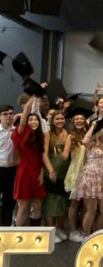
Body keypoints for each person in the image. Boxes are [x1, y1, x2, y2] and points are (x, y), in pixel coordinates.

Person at [70, 122, 103, 237]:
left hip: (101, 179)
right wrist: (93, 125)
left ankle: (95, 233)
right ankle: (87, 235)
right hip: (89, 177)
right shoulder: (92, 144)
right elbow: (84, 141)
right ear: (98, 133)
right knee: (92, 210)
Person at [11, 96, 46, 226]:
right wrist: (33, 96)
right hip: (24, 171)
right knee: (23, 204)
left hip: (37, 171)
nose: (33, 121)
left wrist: (42, 173)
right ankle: (17, 233)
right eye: (30, 119)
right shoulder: (22, 131)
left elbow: (41, 157)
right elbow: (26, 111)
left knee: (37, 203)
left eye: (35, 119)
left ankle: (34, 231)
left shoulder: (40, 135)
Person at [42, 110, 71, 242]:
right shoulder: (48, 134)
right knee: (51, 200)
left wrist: (61, 154)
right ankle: (50, 230)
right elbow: (44, 155)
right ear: (52, 121)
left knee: (62, 200)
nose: (60, 121)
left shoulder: (68, 134)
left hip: (65, 170)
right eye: (57, 119)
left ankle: (59, 228)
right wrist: (51, 171)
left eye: (62, 119)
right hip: (52, 168)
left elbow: (65, 155)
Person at [65, 107, 91, 243]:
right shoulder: (71, 136)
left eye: (81, 118)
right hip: (76, 172)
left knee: (87, 205)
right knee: (74, 204)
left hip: (88, 172)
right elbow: (65, 154)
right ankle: (73, 230)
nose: (79, 121)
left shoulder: (89, 135)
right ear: (73, 122)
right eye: (77, 119)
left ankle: (82, 228)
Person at [0, 104, 17, 226]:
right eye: (5, 114)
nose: (8, 116)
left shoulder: (18, 131)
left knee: (9, 200)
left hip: (13, 169)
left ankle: (5, 227)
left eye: (11, 113)